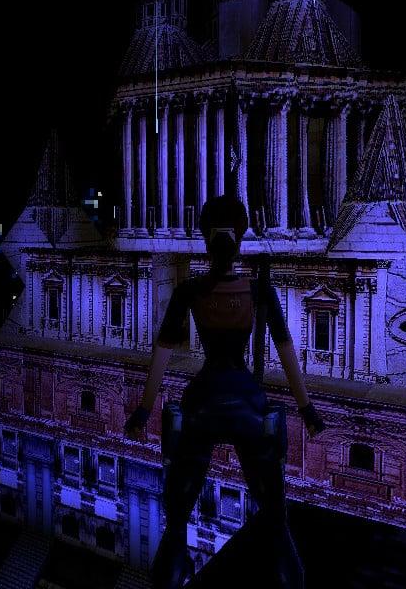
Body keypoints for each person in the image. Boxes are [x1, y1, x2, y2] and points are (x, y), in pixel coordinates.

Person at [124, 195, 325, 589]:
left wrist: (145, 409)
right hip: (248, 402)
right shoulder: (259, 290)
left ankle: (173, 569)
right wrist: (307, 410)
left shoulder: (189, 291)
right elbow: (287, 353)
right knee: (277, 522)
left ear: (205, 239)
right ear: (239, 239)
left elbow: (161, 353)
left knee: (176, 524)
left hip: (201, 402)